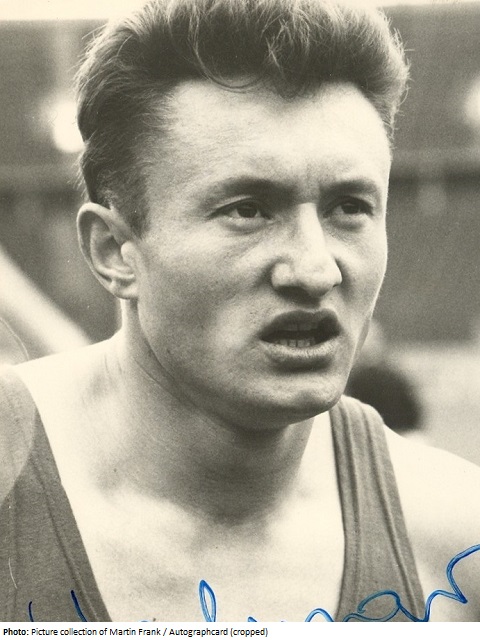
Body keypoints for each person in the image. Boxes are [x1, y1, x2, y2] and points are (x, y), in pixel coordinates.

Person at [1, 0, 480, 623]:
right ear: (114, 251)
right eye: (248, 210)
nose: (316, 269)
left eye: (349, 208)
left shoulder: (456, 541)